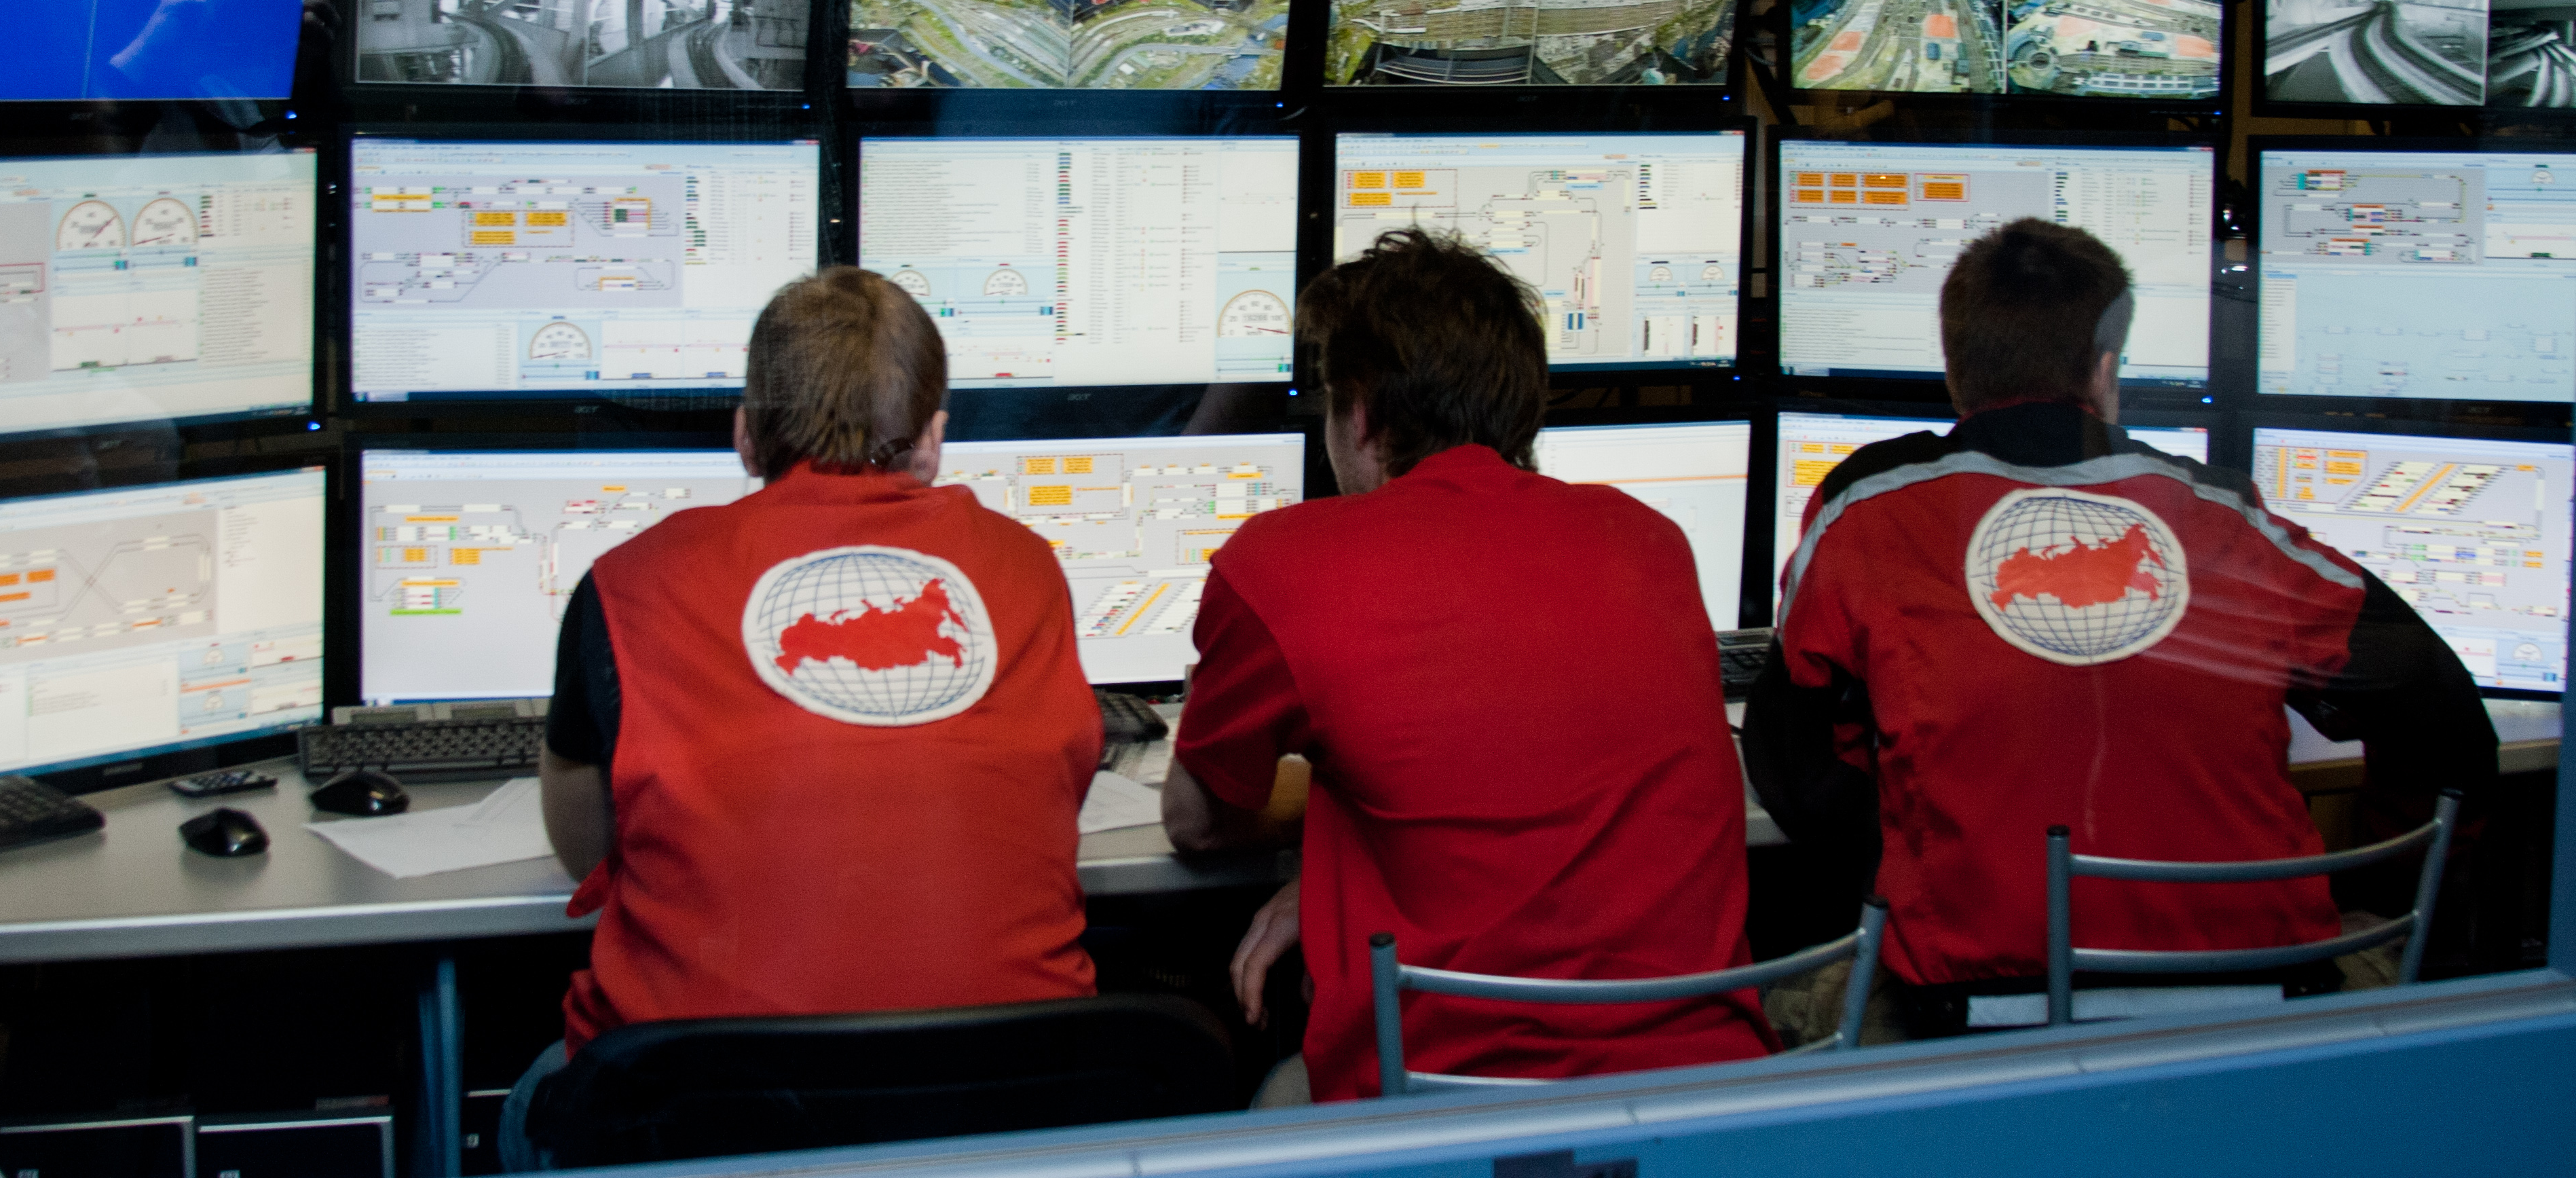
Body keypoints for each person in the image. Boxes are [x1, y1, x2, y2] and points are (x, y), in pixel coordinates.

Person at [1745, 219, 2497, 1038]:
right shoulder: (2227, 517)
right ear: (2106, 370)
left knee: (1781, 996)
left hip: (1978, 1015)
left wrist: (1927, 852)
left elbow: (1791, 759)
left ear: (1955, 369)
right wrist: (2378, 886)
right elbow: (2444, 715)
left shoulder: (1867, 510)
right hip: (2263, 1009)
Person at [502, 269, 1100, 1167]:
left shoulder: (626, 585)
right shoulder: (1030, 568)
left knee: (529, 1098)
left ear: (746, 435)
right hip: (1007, 1119)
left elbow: (588, 849)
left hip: (700, 1125)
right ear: (932, 442)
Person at [1162, 228, 1773, 1104]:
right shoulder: (1652, 544)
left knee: (1263, 1096)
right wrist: (1336, 878)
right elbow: (1524, 787)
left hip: (1444, 1109)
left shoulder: (1283, 564)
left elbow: (1196, 822)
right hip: (1705, 1098)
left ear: (1361, 413)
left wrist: (1323, 861)